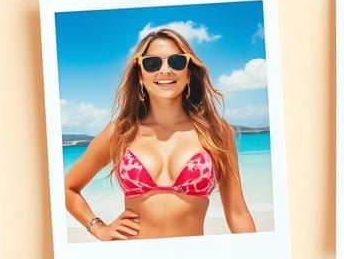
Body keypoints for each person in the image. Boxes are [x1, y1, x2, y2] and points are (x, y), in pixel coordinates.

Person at [65, 28, 256, 240]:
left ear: (188, 71)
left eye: (176, 61)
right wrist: (98, 227)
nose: (165, 70)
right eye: (152, 63)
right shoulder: (120, 133)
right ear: (140, 75)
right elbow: (67, 189)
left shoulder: (216, 131)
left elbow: (237, 213)